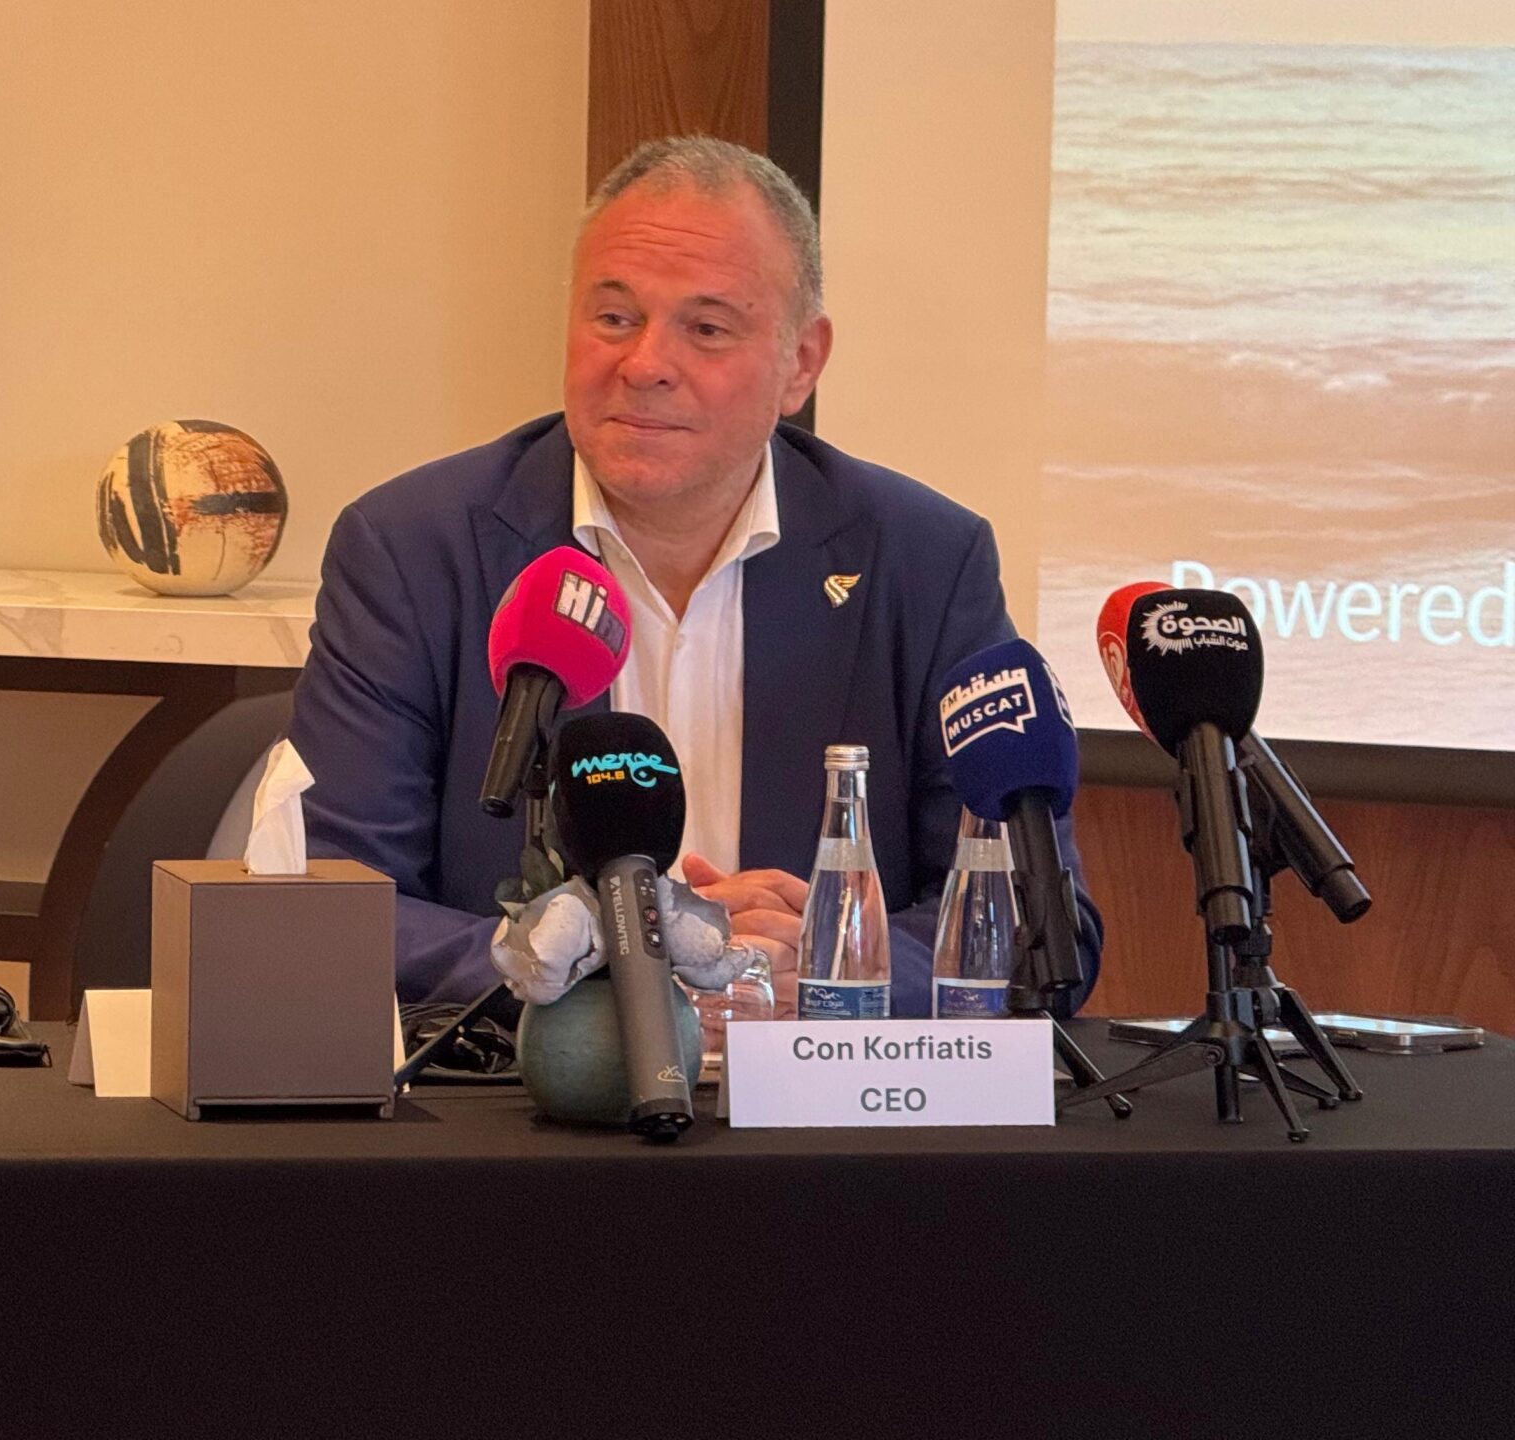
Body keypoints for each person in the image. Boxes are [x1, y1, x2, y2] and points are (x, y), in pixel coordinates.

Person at [287, 137, 1101, 1018]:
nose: (644, 364)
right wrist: (589, 967)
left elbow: (1045, 927)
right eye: (613, 318)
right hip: (528, 1083)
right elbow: (332, 899)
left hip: (818, 1087)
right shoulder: (413, 550)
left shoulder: (926, 561)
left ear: (802, 362)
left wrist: (835, 965)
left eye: (706, 329)